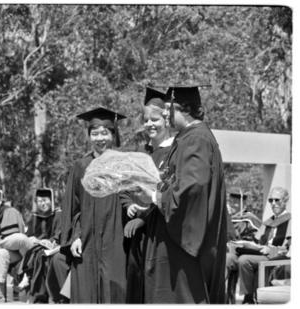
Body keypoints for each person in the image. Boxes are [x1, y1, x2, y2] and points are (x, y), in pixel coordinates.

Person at [139, 85, 228, 303]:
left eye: (169, 110)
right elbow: (176, 181)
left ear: (185, 109)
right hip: (175, 245)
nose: (166, 116)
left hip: (182, 251)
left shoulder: (195, 139)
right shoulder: (190, 138)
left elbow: (192, 187)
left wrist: (154, 197)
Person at [59, 107, 129, 303]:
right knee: (86, 292)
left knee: (115, 290)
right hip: (87, 242)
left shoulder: (123, 164)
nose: (100, 138)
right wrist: (75, 236)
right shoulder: (81, 166)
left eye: (104, 133)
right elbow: (72, 208)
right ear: (89, 136)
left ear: (113, 135)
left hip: (116, 241)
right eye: (95, 133)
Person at [122, 87, 175, 302]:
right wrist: (128, 205)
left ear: (166, 119)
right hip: (136, 237)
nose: (150, 124)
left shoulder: (174, 152)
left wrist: (143, 219)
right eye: (146, 120)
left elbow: (170, 193)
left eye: (155, 119)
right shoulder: (141, 154)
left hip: (160, 234)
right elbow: (126, 187)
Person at [236, 186, 291, 304]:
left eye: (277, 200)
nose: (273, 203)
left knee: (244, 260)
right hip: (260, 253)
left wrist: (272, 250)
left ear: (285, 201)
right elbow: (256, 241)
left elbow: (290, 248)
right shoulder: (268, 222)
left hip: (276, 256)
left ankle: (249, 298)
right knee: (234, 255)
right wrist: (246, 244)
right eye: (271, 200)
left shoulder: (292, 221)